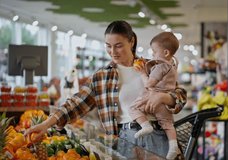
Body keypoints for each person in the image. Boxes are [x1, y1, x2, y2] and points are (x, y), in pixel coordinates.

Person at [24, 20, 187, 159]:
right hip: (125, 140)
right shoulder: (102, 77)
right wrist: (46, 124)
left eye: (118, 46)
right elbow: (75, 103)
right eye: (108, 46)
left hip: (157, 136)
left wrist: (163, 98)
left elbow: (180, 96)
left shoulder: (152, 66)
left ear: (131, 42)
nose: (112, 52)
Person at [130, 32, 180, 159]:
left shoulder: (160, 67)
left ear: (166, 53)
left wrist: (142, 73)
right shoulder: (173, 66)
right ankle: (173, 147)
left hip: (153, 98)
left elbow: (149, 84)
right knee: (168, 125)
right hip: (165, 105)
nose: (152, 54)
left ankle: (145, 125)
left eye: (154, 51)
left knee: (133, 108)